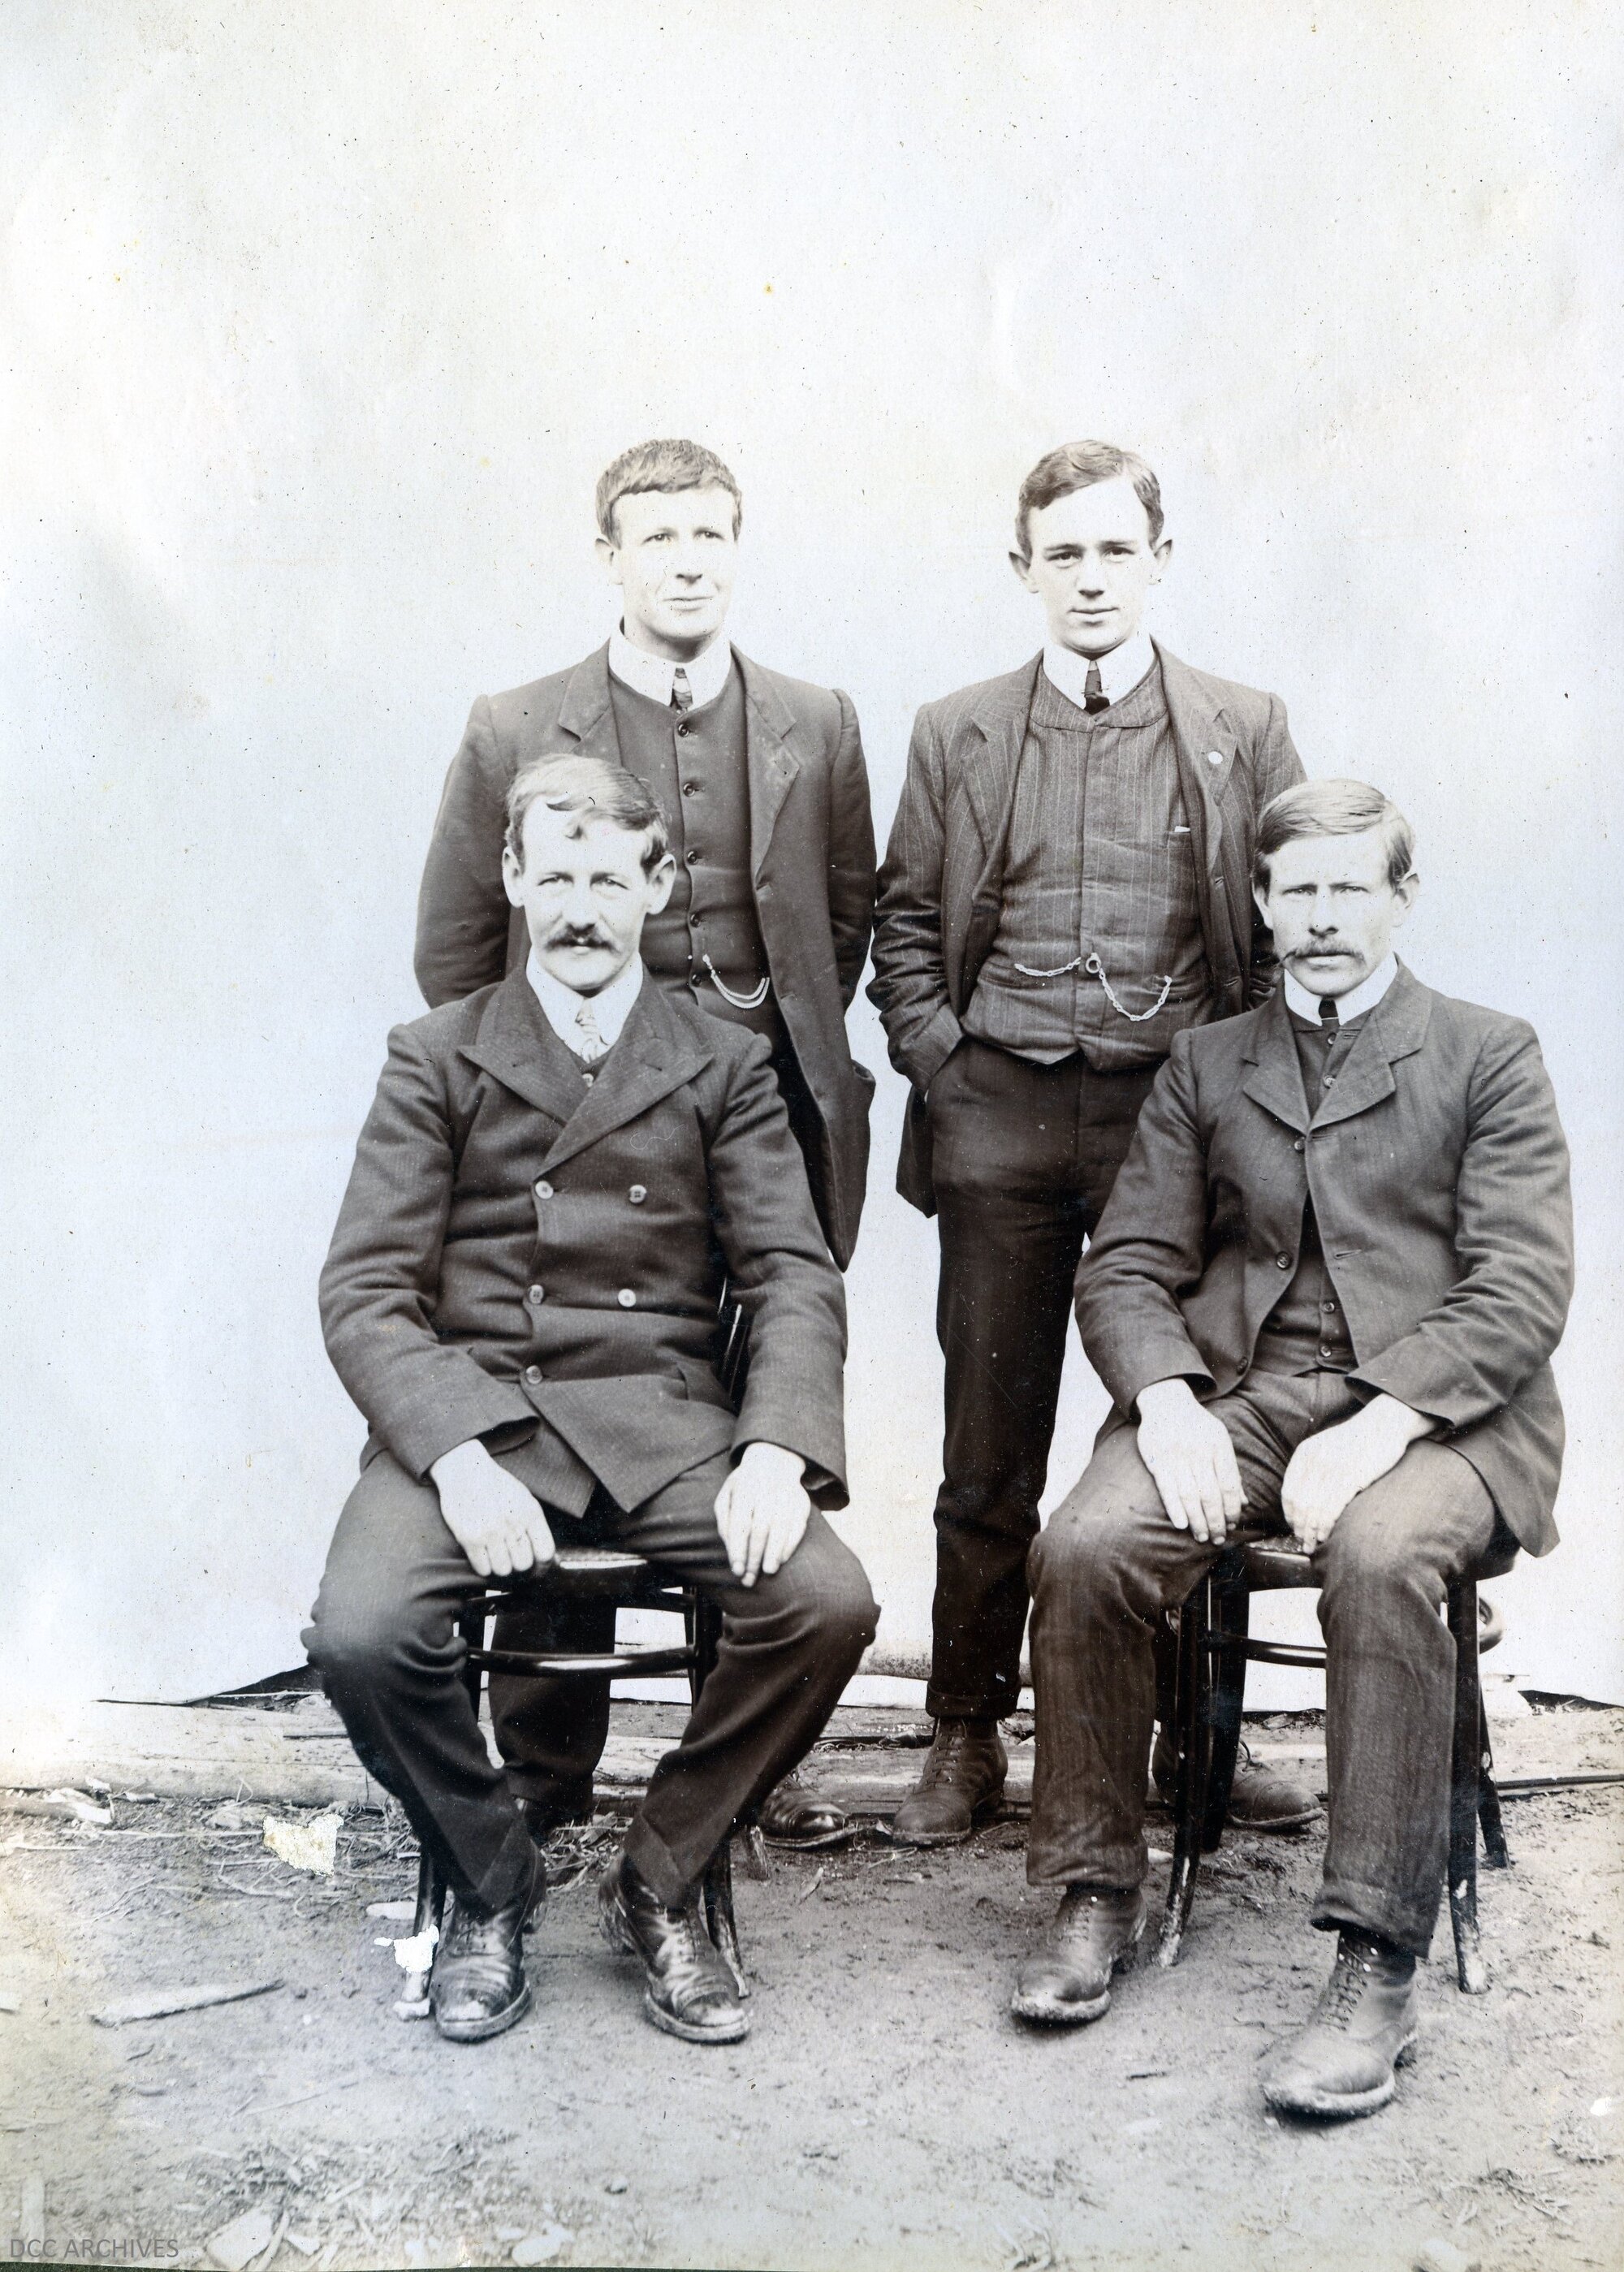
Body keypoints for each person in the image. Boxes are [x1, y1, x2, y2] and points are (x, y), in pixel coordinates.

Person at [1013, 780, 1572, 2120]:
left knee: (1380, 1558)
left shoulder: (1488, 1051)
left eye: (1348, 889)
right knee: (1085, 1541)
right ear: (1262, 904)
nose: (1322, 919)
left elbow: (1518, 1287)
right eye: (1297, 892)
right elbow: (1129, 1266)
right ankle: (1094, 1890)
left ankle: (1377, 1960)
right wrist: (1168, 1400)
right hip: (1249, 1394)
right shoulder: (1210, 1062)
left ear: (1401, 897)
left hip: (1444, 1414)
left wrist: (1385, 1419)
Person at [306, 754, 878, 2047]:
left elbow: (792, 1270)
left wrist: (779, 1448)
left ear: (657, 889)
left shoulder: (722, 1062)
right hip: (478, 1411)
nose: (577, 907)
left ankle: (660, 1875)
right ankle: (491, 1880)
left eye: (607, 879)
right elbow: (365, 1290)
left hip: (660, 1418)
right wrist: (453, 1455)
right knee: (360, 1630)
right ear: (510, 879)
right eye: (552, 875)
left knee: (825, 1601)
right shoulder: (435, 1056)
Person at [413, 438, 877, 1851]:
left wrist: (732, 1058)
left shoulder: (814, 716)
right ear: (608, 554)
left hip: (761, 1111)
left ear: (740, 548)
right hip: (571, 1115)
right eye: (658, 535)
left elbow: (840, 924)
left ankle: (718, 1786)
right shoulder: (515, 723)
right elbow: (452, 955)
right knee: (567, 1384)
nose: (688, 559)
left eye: (712, 535)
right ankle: (548, 1782)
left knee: (737, 1428)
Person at [868, 440, 1311, 1842]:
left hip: (1169, 1134)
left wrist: (1231, 1116)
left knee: (1169, 1429)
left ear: (1160, 561)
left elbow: (1283, 933)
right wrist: (946, 1067)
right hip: (998, 1114)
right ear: (1025, 571)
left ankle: (1193, 1737)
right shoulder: (960, 730)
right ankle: (963, 1734)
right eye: (1064, 553)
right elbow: (899, 922)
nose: (1092, 578)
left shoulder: (1244, 724)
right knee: (987, 1447)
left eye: (1117, 550)